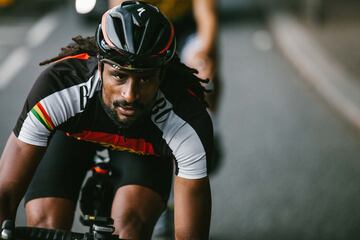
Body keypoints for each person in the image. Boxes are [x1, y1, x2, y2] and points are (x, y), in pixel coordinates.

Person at [0, 1, 213, 239]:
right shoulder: (58, 89)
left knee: (130, 226)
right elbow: (5, 194)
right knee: (46, 223)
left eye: (144, 79)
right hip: (72, 136)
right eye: (119, 75)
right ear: (100, 67)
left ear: (161, 75)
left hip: (143, 147)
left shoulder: (186, 118)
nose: (130, 95)